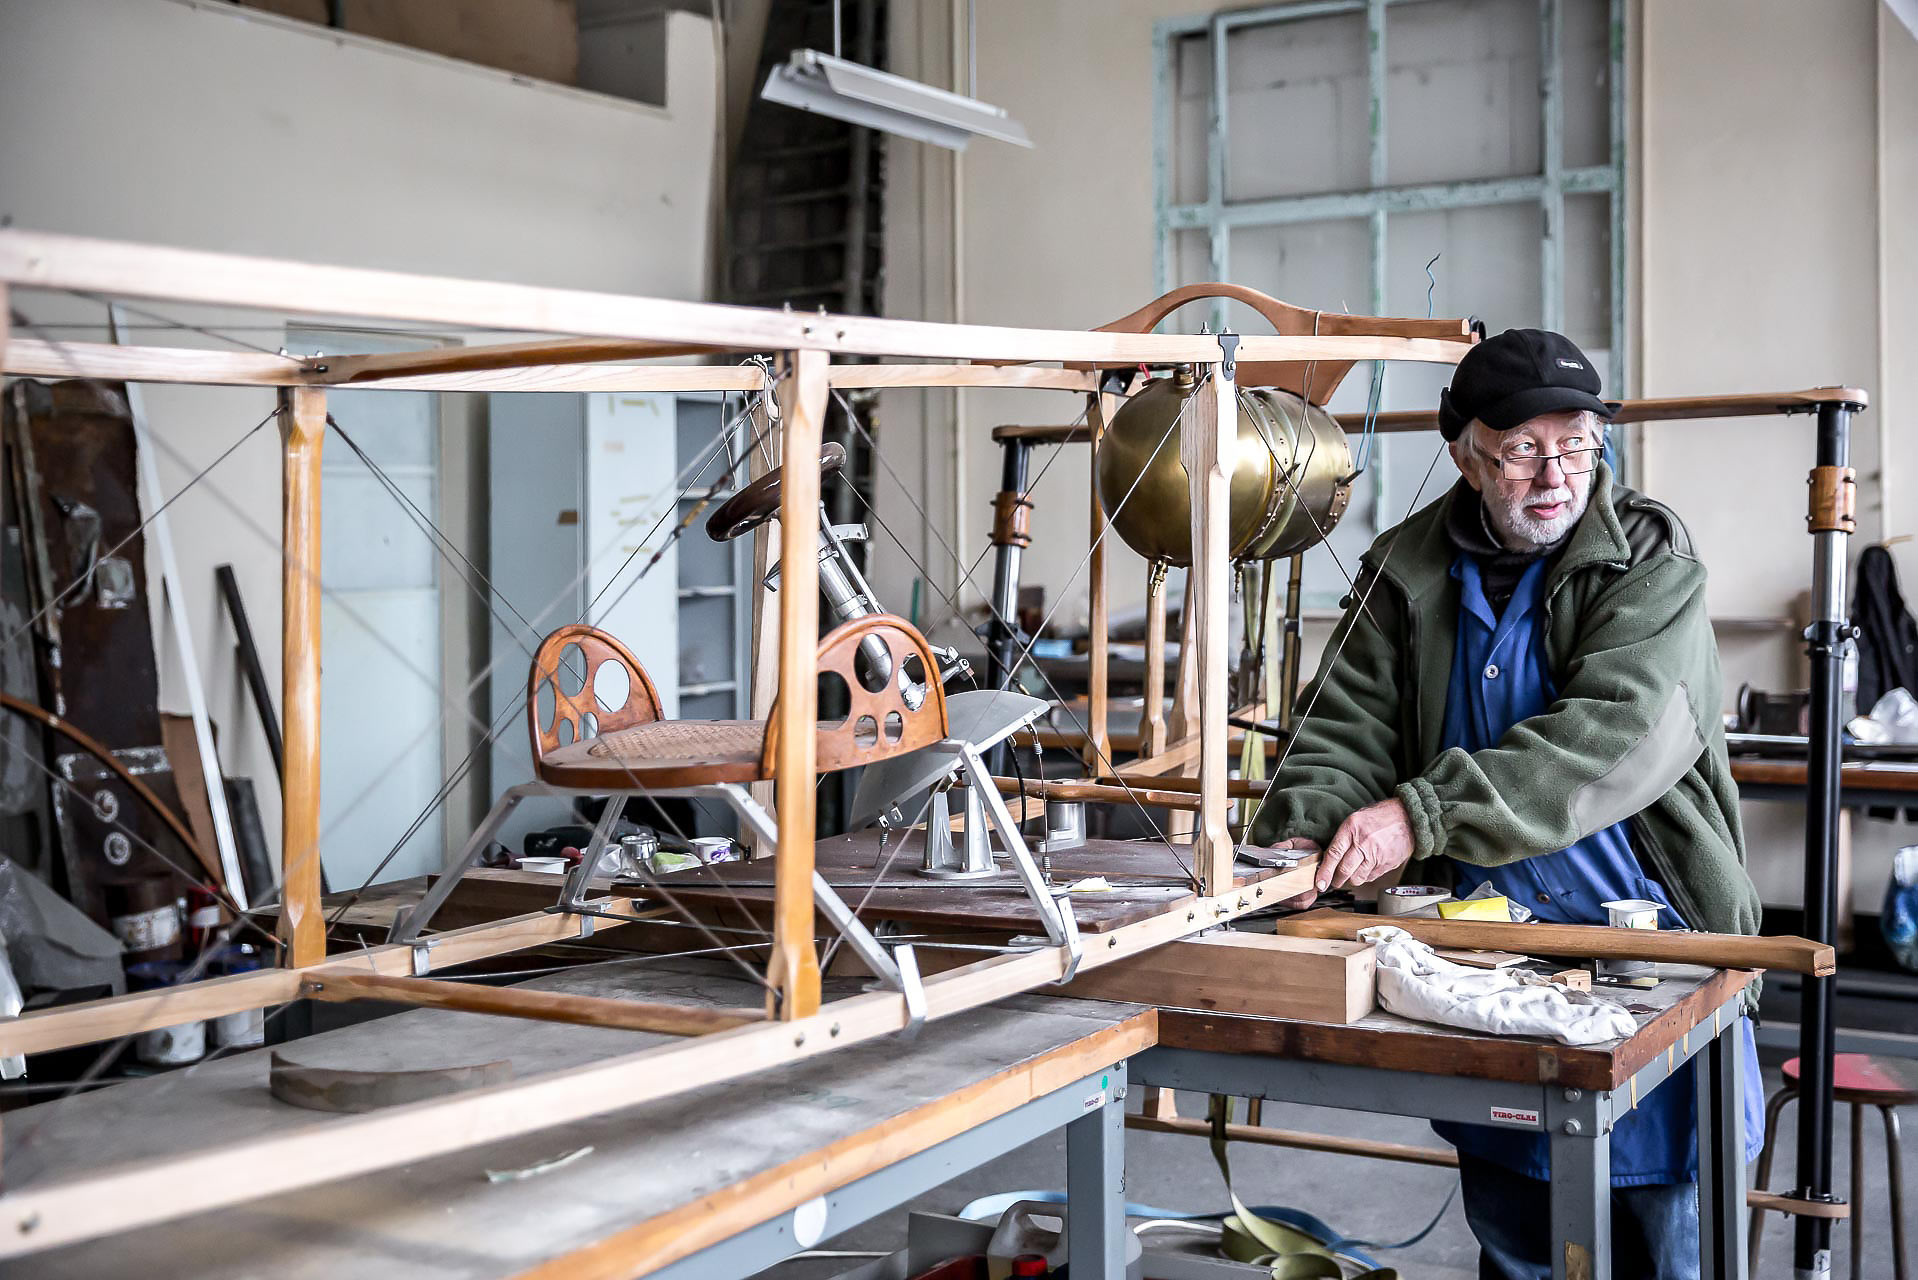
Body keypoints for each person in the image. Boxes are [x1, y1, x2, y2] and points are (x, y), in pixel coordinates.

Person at [1250, 328, 1765, 1280]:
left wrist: (1421, 818)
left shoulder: (1649, 558)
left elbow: (1616, 733)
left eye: (1574, 446)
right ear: (1465, 455)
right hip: (1492, 963)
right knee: (1521, 1240)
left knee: (1665, 1241)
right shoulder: (1407, 569)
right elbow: (1346, 724)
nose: (1554, 474)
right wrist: (1300, 839)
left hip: (1655, 955)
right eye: (1524, 449)